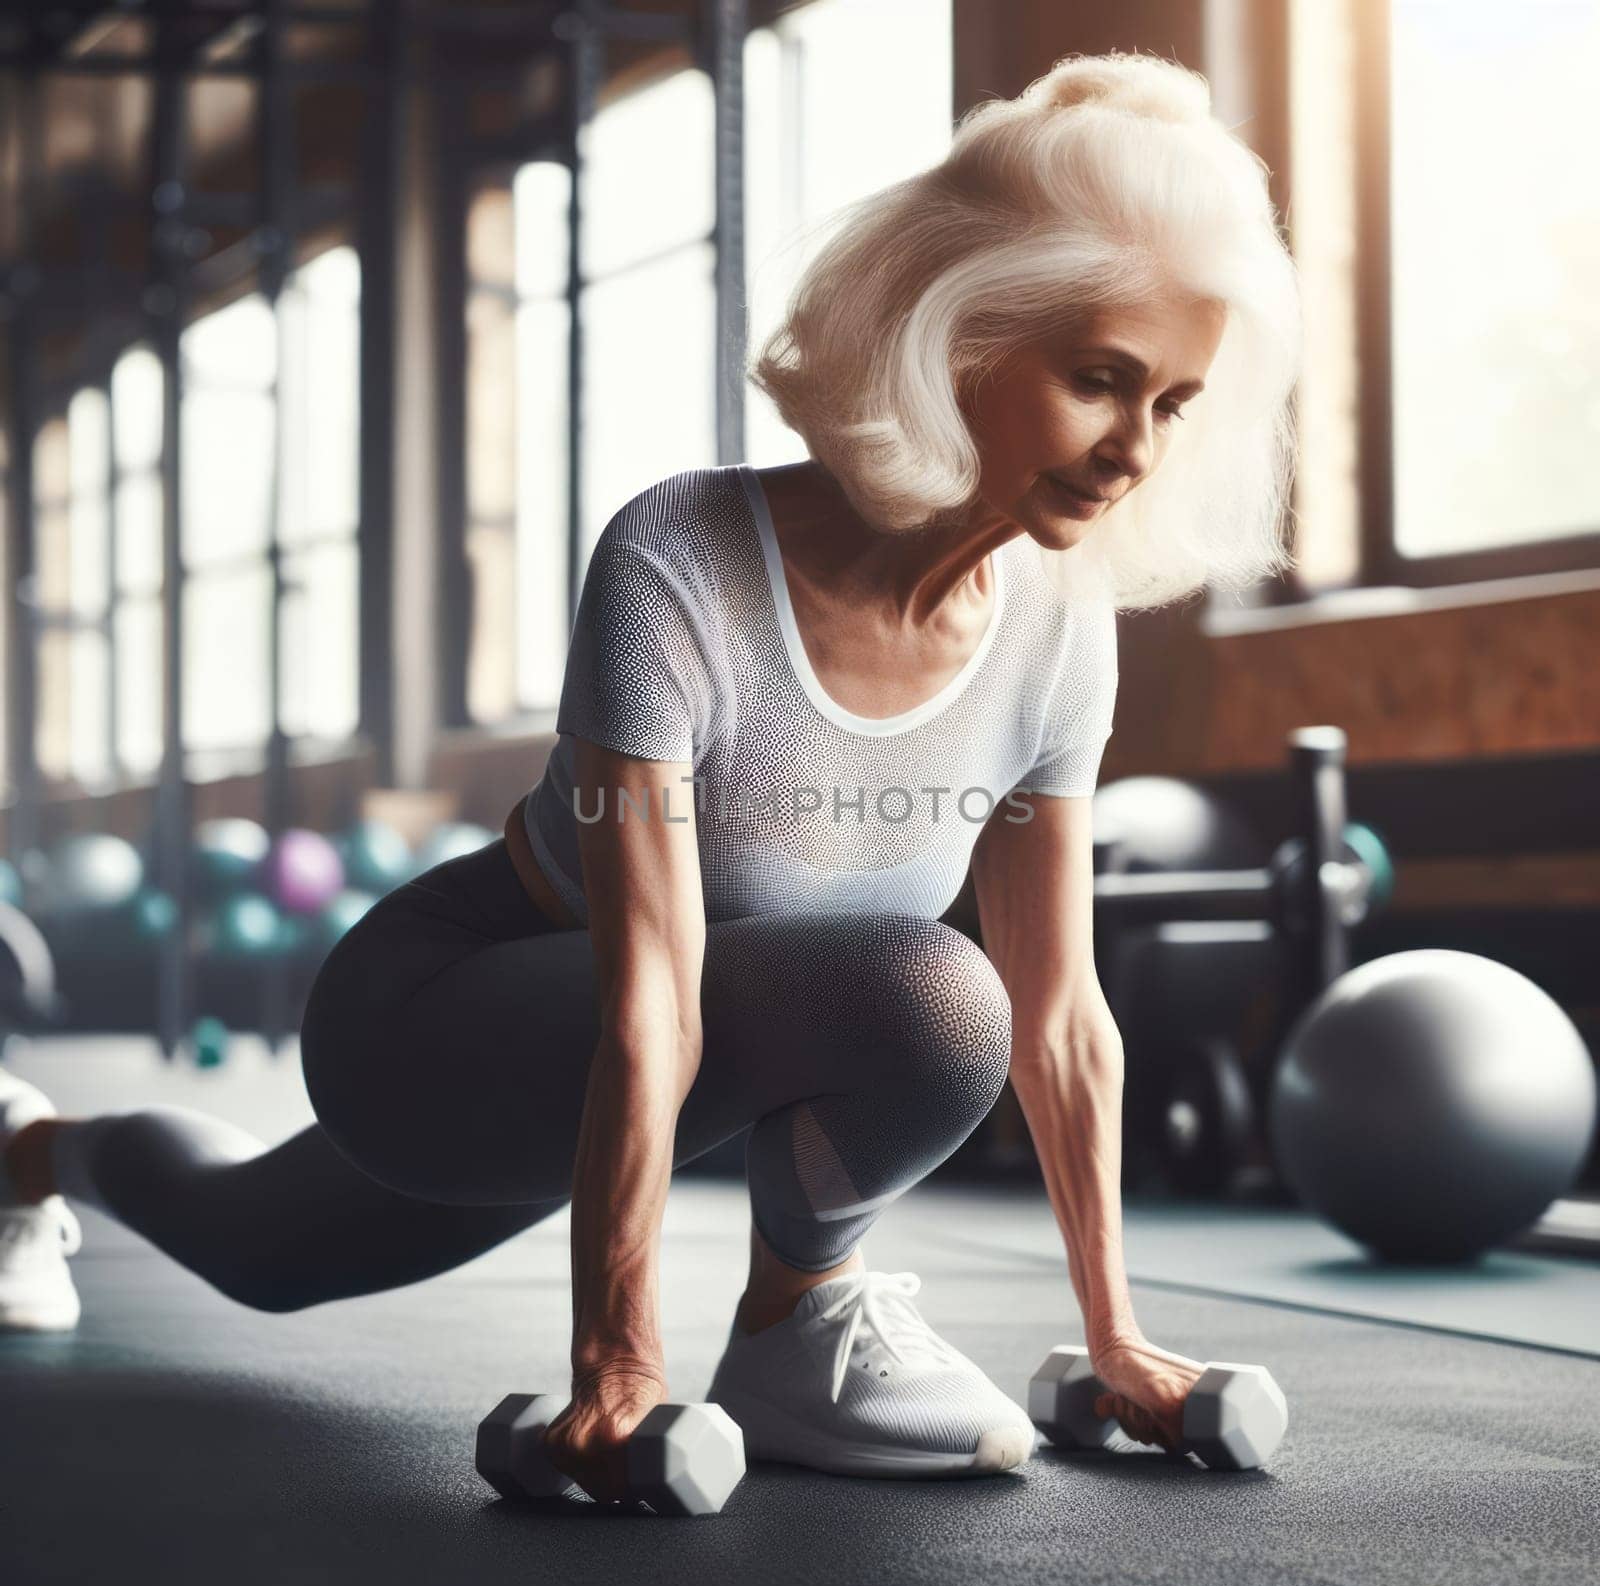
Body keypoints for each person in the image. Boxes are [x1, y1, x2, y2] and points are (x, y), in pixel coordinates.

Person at [0, 50, 1300, 1503]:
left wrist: (1119, 1340)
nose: (1132, 449)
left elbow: (1066, 1017)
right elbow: (650, 986)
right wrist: (618, 1356)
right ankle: (794, 1319)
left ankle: (36, 1152)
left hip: (663, 1060)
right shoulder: (681, 559)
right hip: (448, 1011)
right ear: (958, 332)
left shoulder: (1060, 633)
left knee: (264, 1248)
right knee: (920, 992)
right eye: (1097, 380)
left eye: (1172, 403)